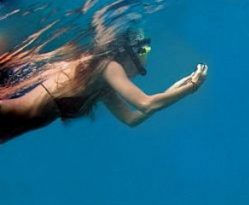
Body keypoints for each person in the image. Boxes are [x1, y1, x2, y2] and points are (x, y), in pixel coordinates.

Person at [0, 24, 207, 145]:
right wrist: (190, 88)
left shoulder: (101, 86)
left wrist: (184, 86)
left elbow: (133, 118)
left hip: (17, 122)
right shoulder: (108, 66)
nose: (145, 59)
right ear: (127, 52)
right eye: (143, 53)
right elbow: (146, 103)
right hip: (15, 113)